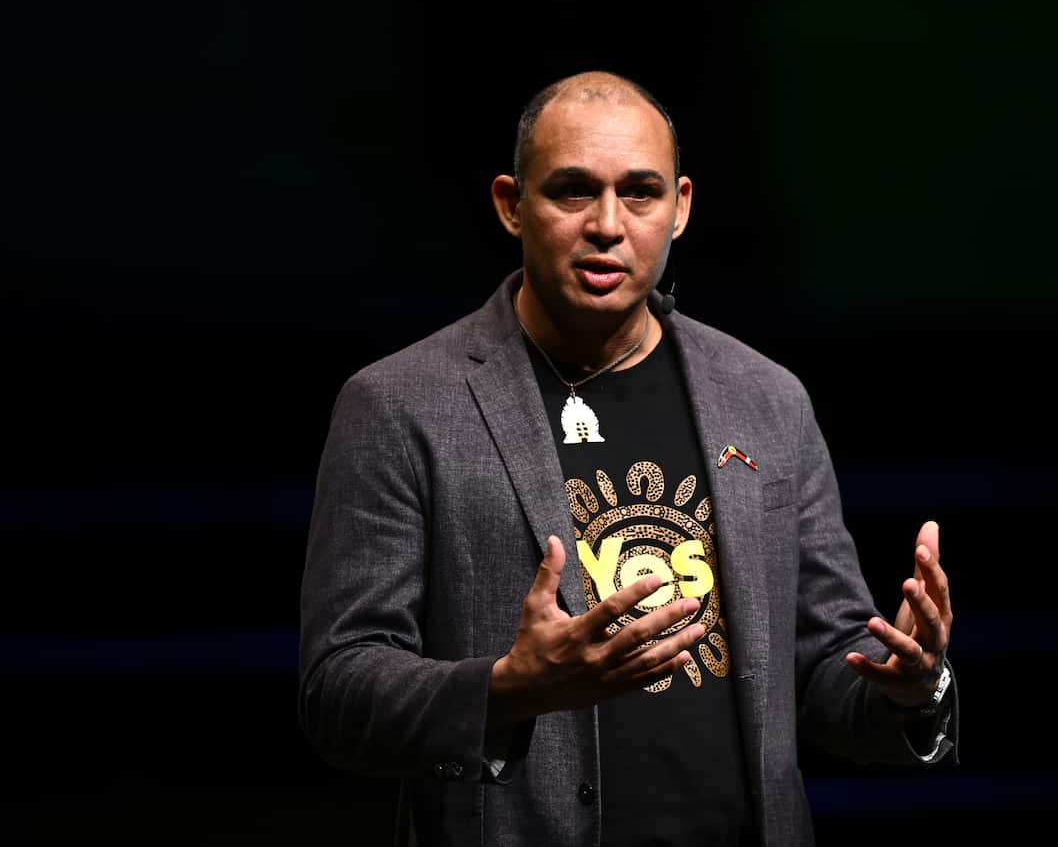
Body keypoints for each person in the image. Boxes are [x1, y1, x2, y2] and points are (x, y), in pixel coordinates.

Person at [299, 70, 957, 847]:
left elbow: (822, 673)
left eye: (639, 193)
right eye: (573, 192)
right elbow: (337, 688)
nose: (608, 224)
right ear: (511, 204)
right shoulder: (402, 404)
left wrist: (915, 686)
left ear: (680, 206)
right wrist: (508, 688)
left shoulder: (767, 400)